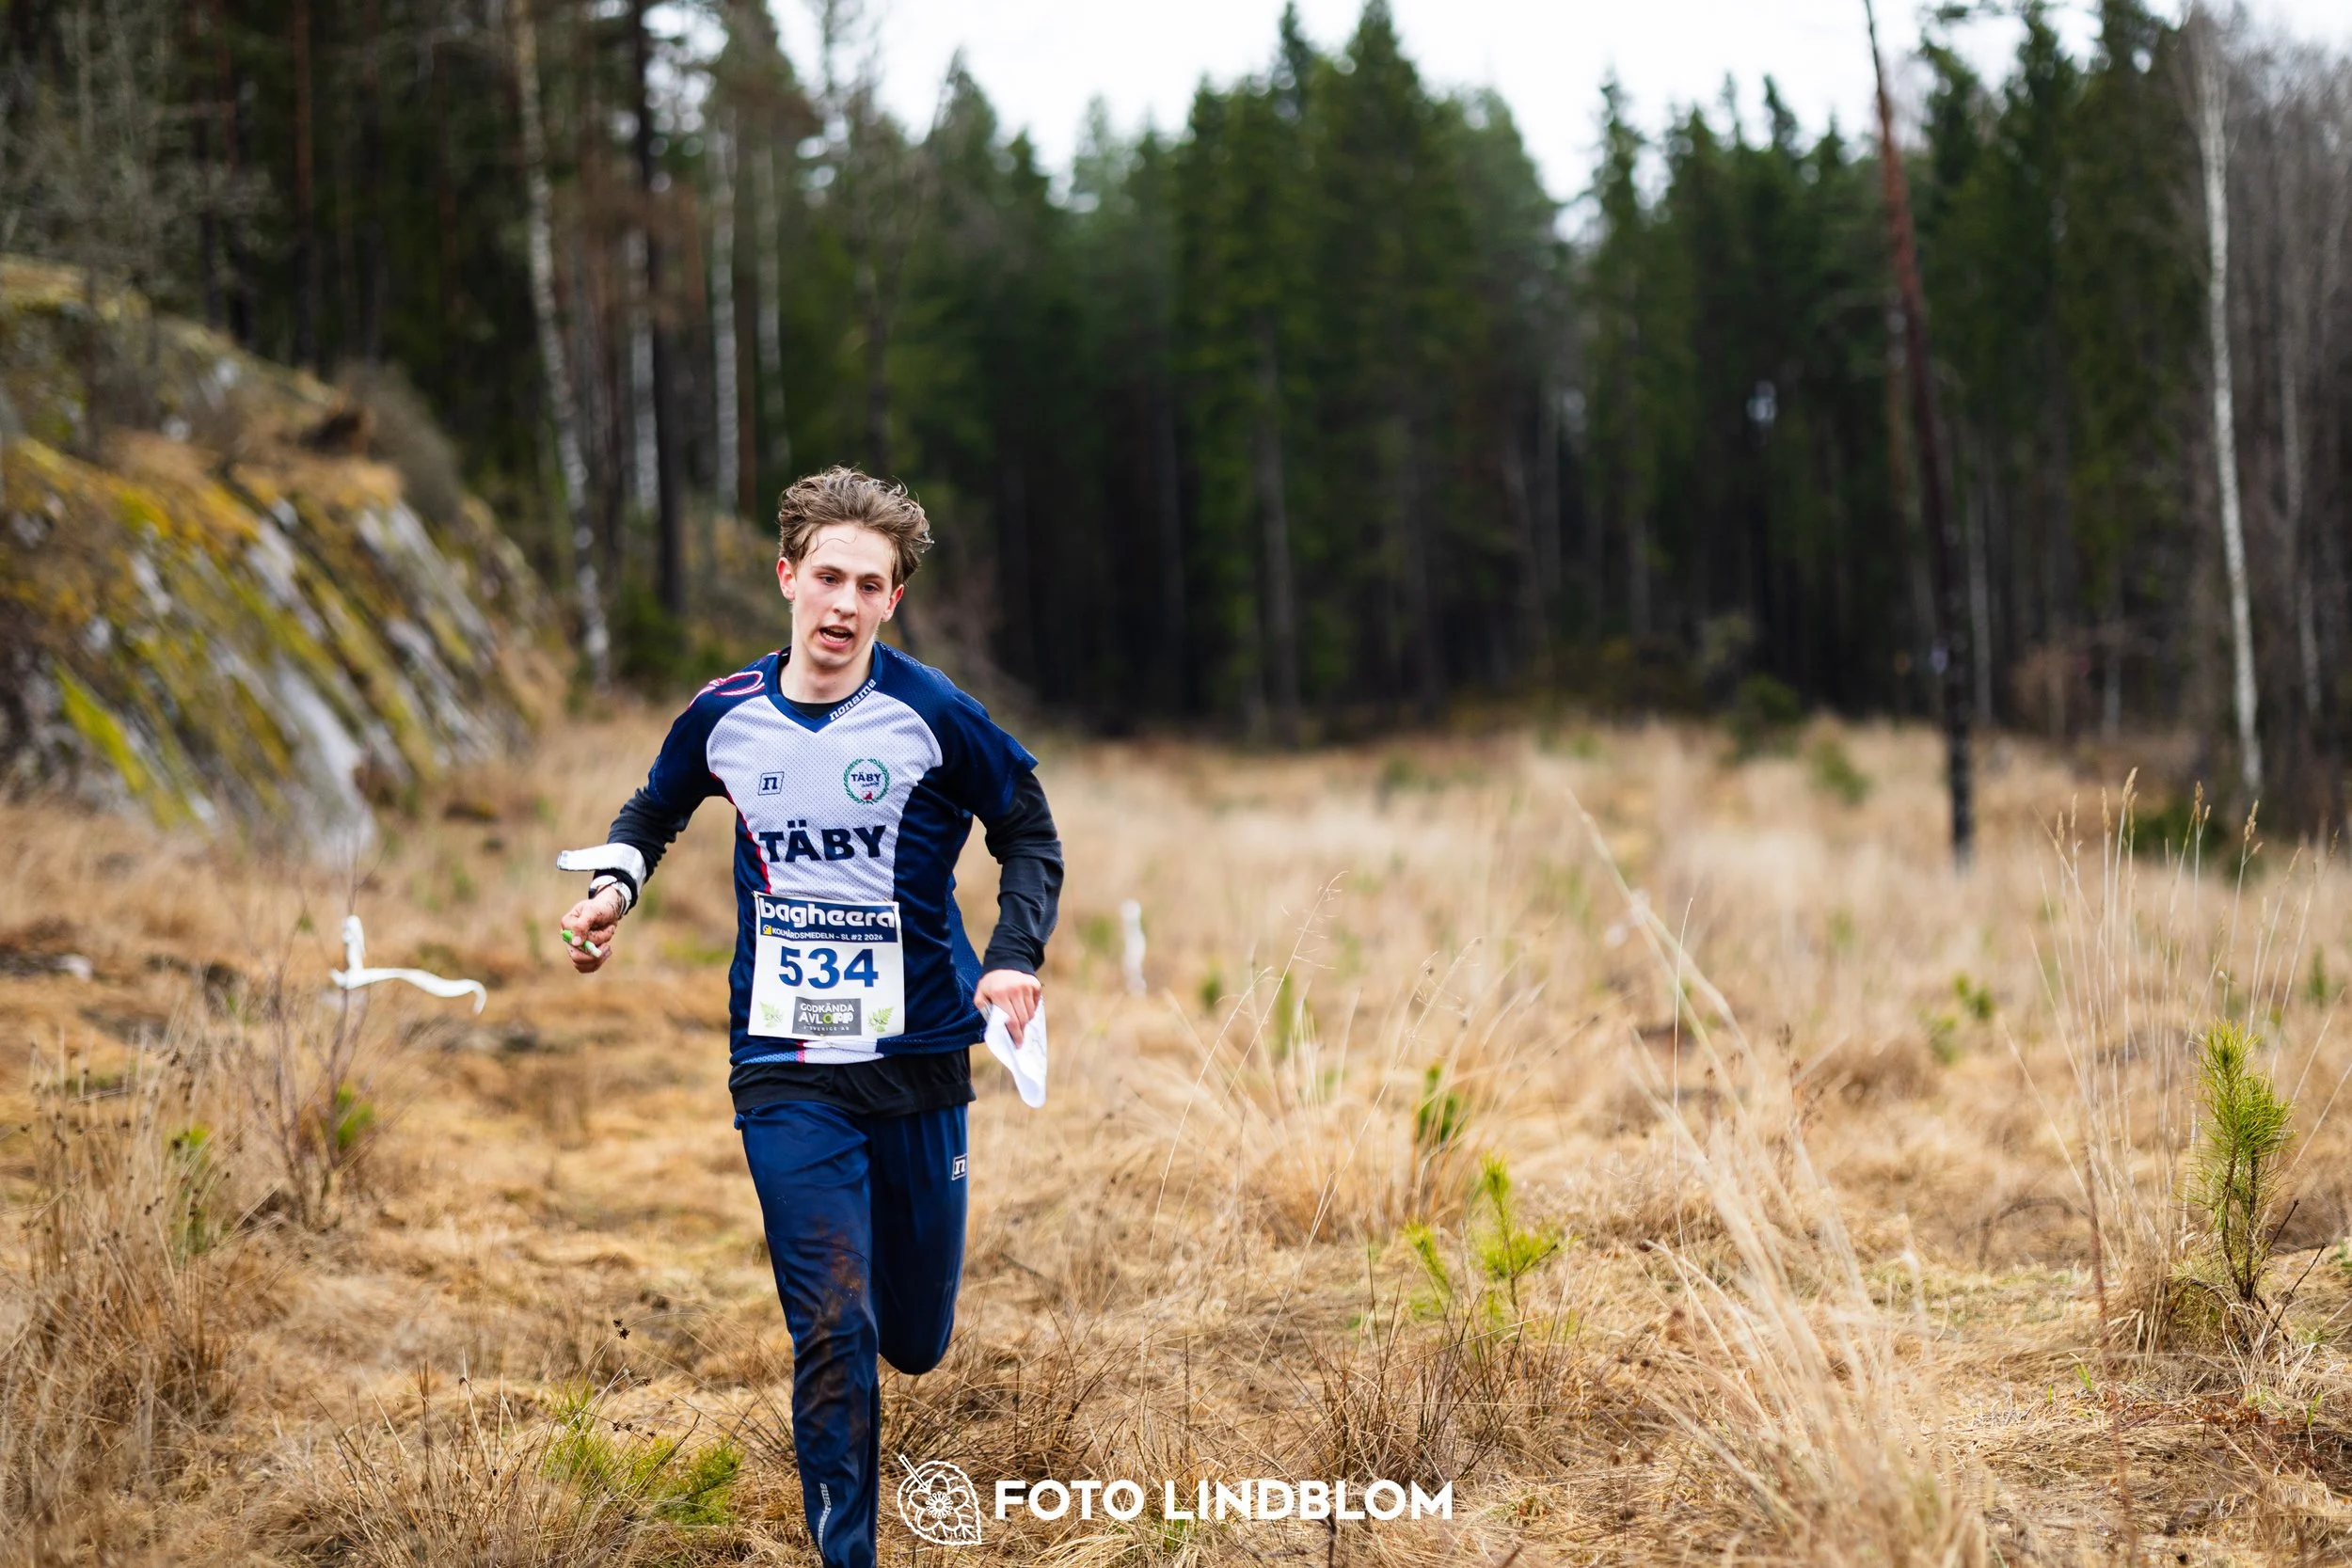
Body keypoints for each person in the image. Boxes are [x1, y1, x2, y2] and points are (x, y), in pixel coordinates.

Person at [557, 467, 1061, 1568]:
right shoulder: (726, 713)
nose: (841, 603)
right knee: (834, 1325)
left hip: (920, 1053)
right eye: (825, 575)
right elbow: (656, 805)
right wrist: (616, 886)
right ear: (787, 576)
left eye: (867, 585)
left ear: (892, 601)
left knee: (914, 1340)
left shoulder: (932, 713)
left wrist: (1013, 958)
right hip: (784, 1061)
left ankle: (892, 1279)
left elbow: (1028, 828)